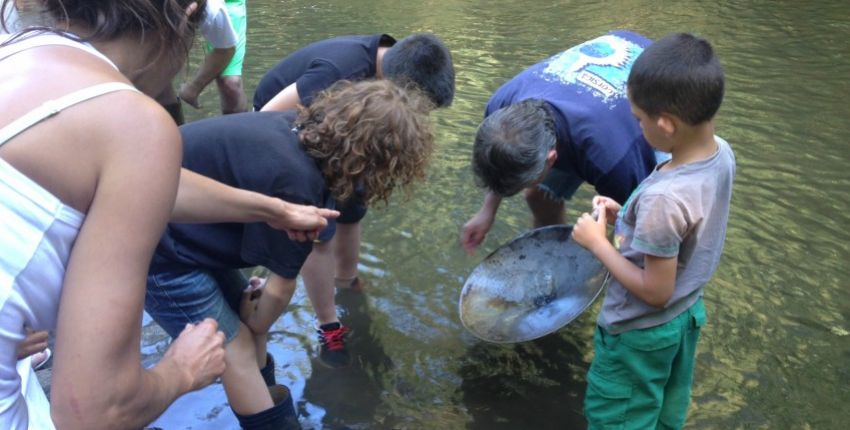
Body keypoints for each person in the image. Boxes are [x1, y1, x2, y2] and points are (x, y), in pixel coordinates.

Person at [0, 1, 334, 428]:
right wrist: (181, 370)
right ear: (187, 13)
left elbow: (152, 188)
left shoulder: (17, 50)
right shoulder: (135, 122)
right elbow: (93, 412)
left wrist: (271, 208)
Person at [145, 79, 434, 429]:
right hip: (156, 252)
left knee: (246, 317)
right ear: (375, 163)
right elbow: (280, 291)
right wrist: (257, 321)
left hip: (184, 236)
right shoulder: (297, 183)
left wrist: (255, 317)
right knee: (233, 349)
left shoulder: (295, 132)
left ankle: (266, 399)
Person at [254, 32, 454, 367]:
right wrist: (302, 188)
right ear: (399, 87)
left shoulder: (395, 61)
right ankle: (328, 324)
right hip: (286, 133)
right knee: (319, 229)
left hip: (343, 131)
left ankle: (346, 279)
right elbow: (267, 119)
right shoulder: (337, 71)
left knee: (352, 207)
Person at [571, 32, 734, 429]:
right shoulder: (721, 154)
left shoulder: (665, 199)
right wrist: (625, 214)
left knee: (620, 418)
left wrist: (598, 245)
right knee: (661, 413)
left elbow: (655, 292)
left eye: (638, 119)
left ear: (665, 124)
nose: (637, 126)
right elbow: (685, 228)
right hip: (685, 317)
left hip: (640, 335)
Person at [461, 30, 665, 255]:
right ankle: (554, 258)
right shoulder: (498, 108)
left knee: (640, 224)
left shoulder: (614, 162)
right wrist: (487, 210)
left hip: (662, 76)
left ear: (552, 157)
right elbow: (499, 165)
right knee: (538, 195)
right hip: (600, 77)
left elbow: (646, 233)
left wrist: (605, 247)